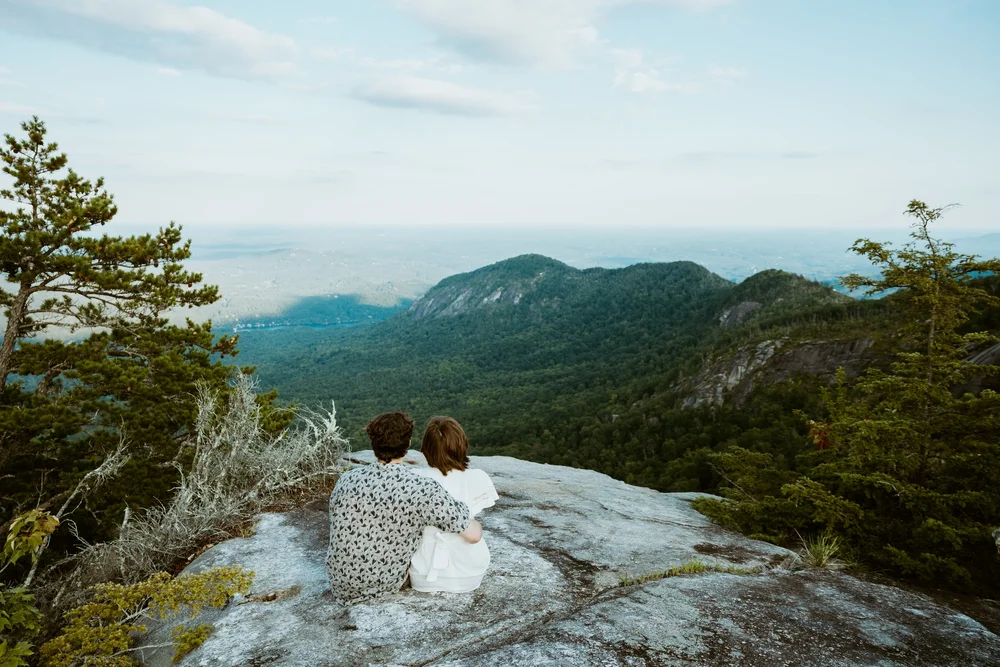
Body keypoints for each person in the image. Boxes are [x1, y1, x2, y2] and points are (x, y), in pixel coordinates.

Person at [326, 411, 482, 603]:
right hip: (382, 585)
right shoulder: (421, 488)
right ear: (408, 444)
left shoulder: (346, 480)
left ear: (373, 443)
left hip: (339, 583)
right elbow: (472, 534)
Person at [409, 416, 499, 593]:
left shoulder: (413, 477)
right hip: (468, 573)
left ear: (426, 448)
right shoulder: (477, 478)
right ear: (461, 445)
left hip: (422, 573)